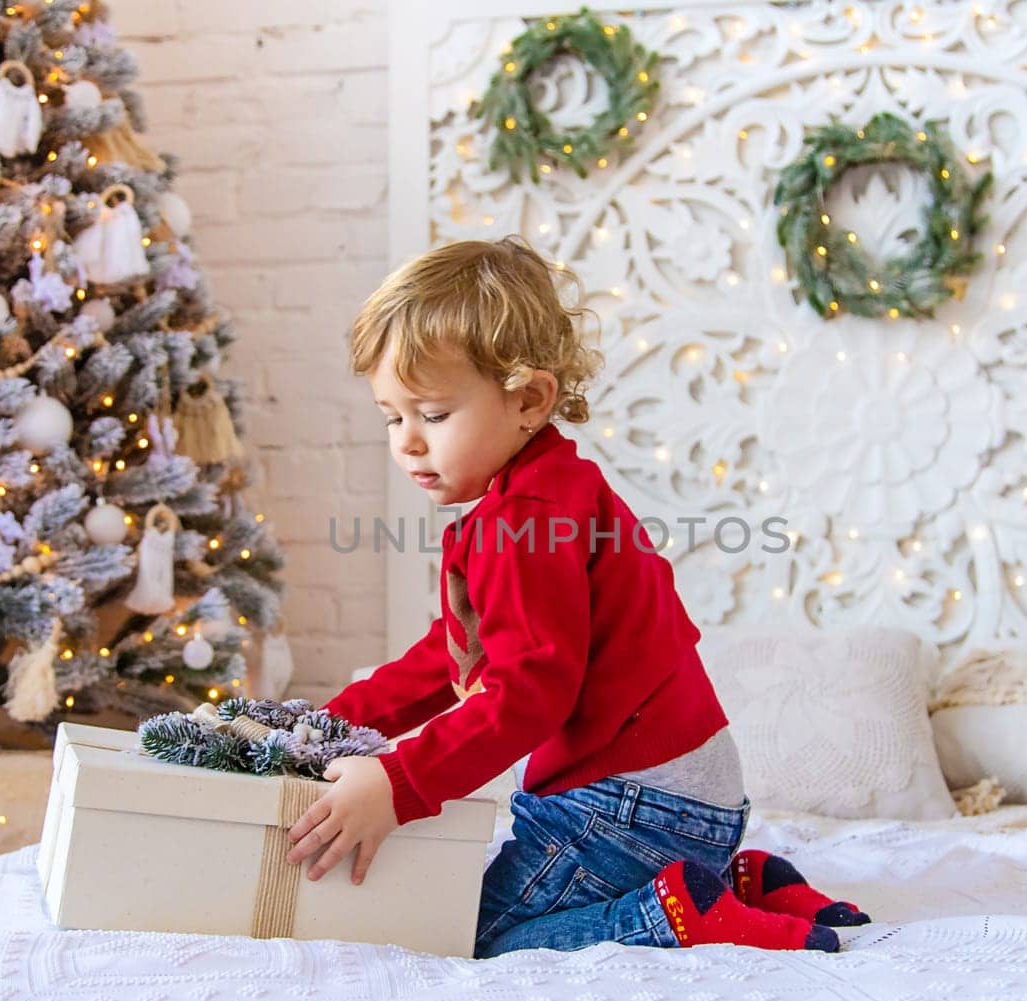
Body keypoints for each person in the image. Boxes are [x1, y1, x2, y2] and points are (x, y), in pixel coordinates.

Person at [285, 237, 868, 957]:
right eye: (391, 416)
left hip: (633, 806)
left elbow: (529, 692)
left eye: (432, 415)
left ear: (529, 399)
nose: (406, 443)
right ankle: (741, 879)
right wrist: (329, 724)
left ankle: (679, 911)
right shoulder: (542, 492)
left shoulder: (523, 519)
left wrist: (400, 783)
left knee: (468, 931)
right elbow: (455, 654)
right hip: (691, 800)